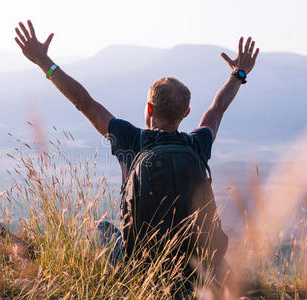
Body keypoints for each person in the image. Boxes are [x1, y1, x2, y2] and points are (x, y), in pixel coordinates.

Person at [14, 20, 259, 293]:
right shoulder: (197, 144)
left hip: (140, 266)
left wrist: (43, 62)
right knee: (221, 264)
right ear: (187, 114)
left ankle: (113, 284)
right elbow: (218, 108)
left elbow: (84, 102)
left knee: (101, 228)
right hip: (193, 265)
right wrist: (238, 74)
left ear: (149, 109)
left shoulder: (130, 139)